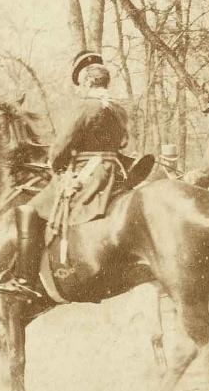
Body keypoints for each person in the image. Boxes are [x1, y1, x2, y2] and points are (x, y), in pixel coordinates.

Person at [9, 50, 130, 294]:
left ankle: (24, 279)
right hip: (113, 173)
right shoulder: (119, 109)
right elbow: (123, 143)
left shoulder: (85, 106)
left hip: (87, 176)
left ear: (87, 81)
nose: (79, 89)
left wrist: (55, 164)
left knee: (29, 210)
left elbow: (62, 146)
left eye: (80, 83)